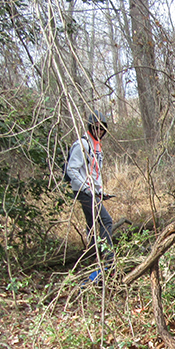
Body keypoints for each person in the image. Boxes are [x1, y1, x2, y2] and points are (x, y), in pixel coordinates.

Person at [65, 111, 114, 265]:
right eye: (96, 128)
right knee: (106, 221)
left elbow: (93, 172)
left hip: (92, 192)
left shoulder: (96, 146)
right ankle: (108, 258)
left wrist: (100, 191)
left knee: (92, 224)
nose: (99, 131)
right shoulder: (82, 145)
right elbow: (71, 169)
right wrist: (88, 188)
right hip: (83, 192)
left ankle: (93, 256)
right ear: (90, 127)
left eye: (102, 128)